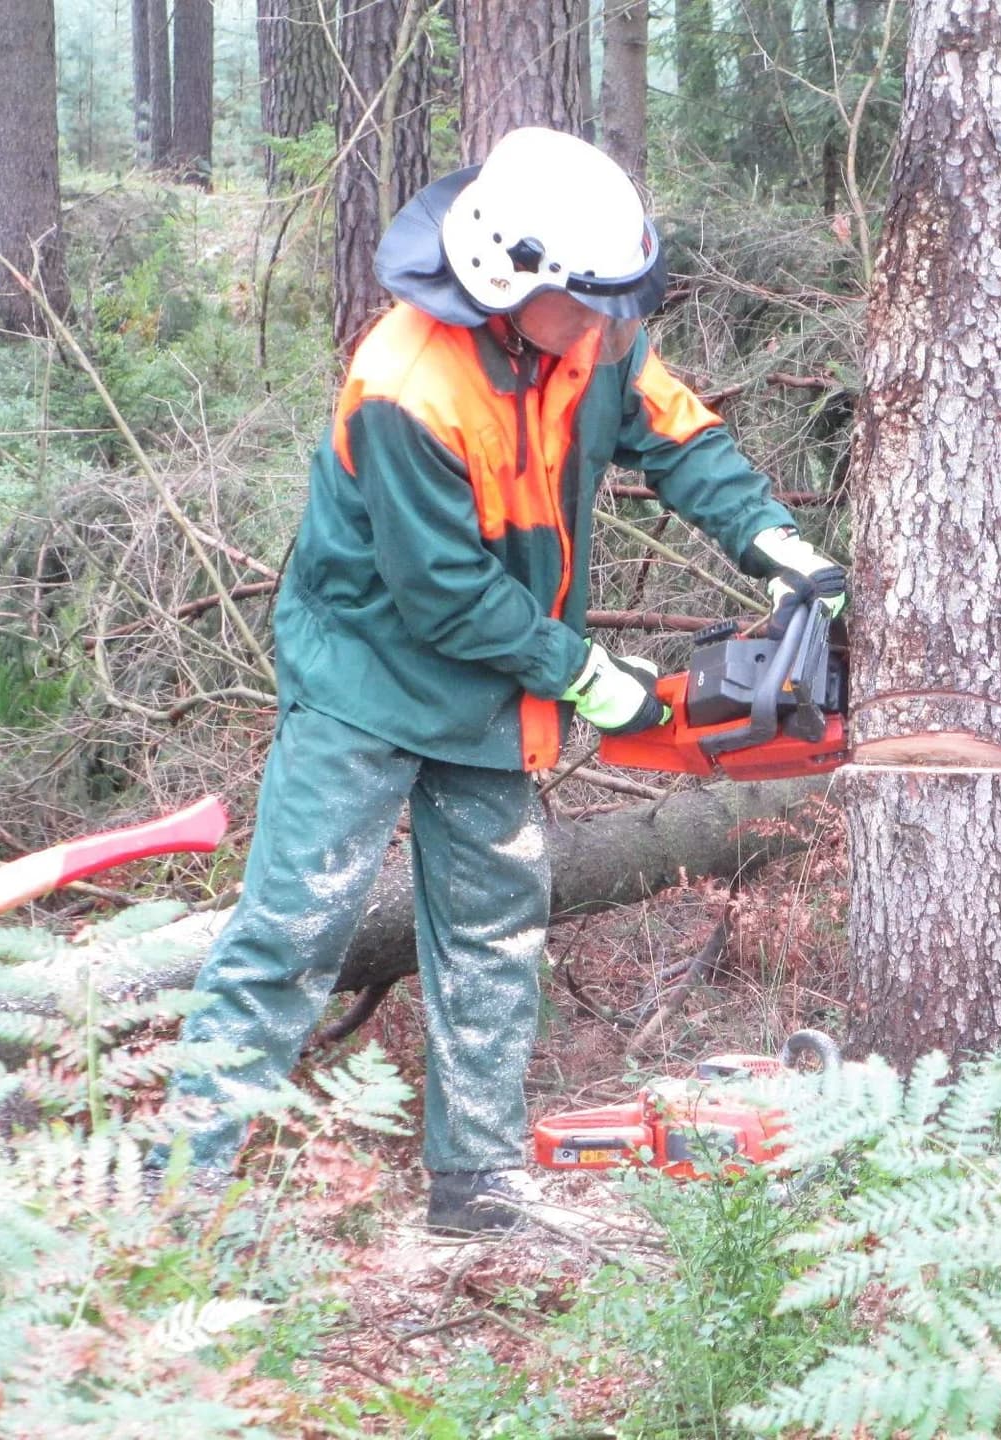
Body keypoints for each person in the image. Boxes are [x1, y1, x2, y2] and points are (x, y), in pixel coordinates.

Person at [163, 127, 845, 1234]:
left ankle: (474, 1181)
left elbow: (675, 438)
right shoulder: (406, 384)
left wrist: (772, 541)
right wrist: (585, 674)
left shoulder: (590, 330)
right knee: (293, 930)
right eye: (586, 307)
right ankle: (172, 1201)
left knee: (493, 926)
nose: (604, 330)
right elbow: (439, 591)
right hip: (367, 680)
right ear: (504, 278)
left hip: (495, 683)